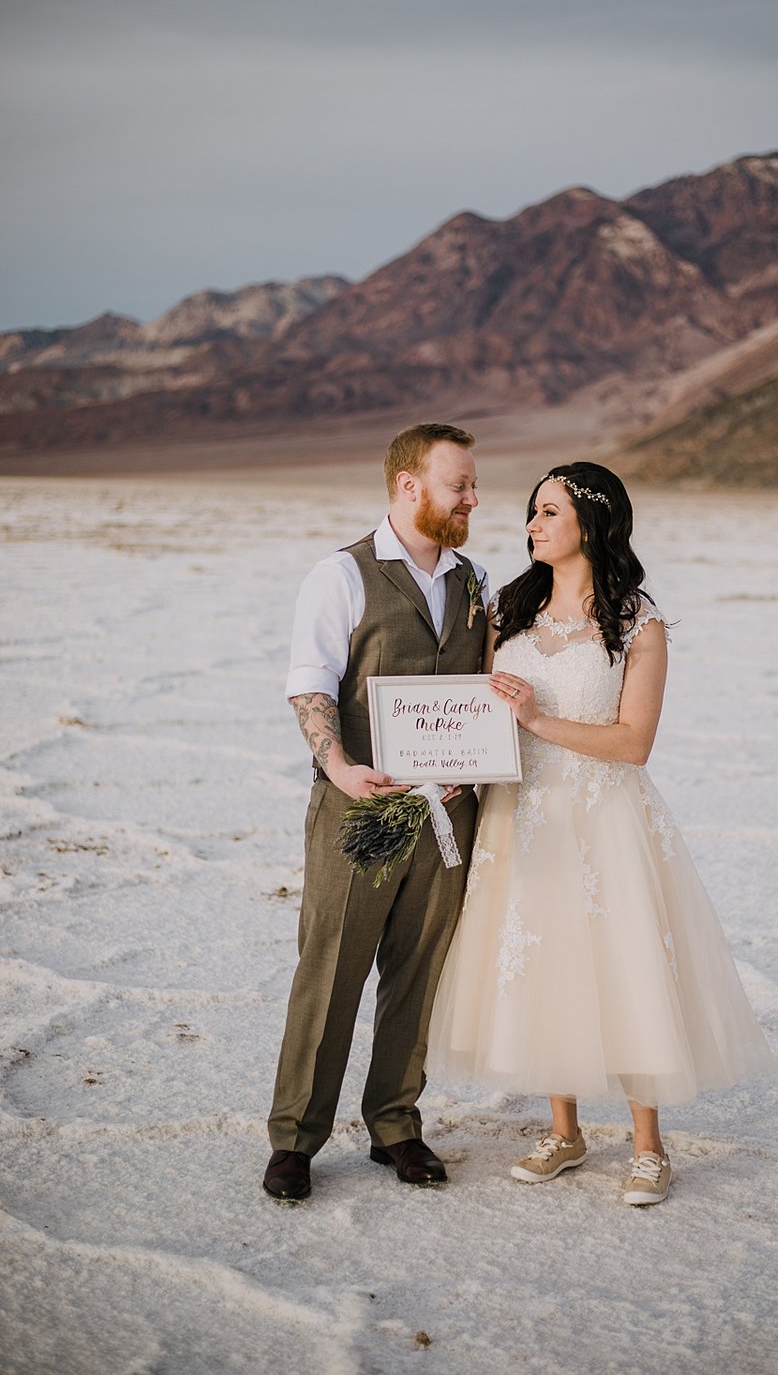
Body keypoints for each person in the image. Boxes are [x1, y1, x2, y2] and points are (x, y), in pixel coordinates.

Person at [427, 462, 774, 1206]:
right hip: (522, 817)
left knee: (623, 966)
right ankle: (566, 1132)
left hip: (605, 817)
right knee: (547, 962)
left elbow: (634, 743)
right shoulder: (508, 611)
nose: (531, 525)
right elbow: (479, 715)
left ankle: (648, 1147)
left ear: (592, 522)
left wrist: (536, 719)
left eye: (548, 512)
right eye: (531, 512)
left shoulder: (635, 621)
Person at [263, 423, 489, 1199]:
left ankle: (396, 1125)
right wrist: (338, 766)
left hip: (447, 817)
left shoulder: (477, 582)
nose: (472, 498)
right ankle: (296, 1138)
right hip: (358, 809)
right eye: (459, 484)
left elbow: (483, 688)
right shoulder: (341, 576)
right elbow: (310, 684)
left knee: (419, 972)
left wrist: (476, 761)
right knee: (331, 971)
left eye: (471, 485)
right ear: (409, 486)